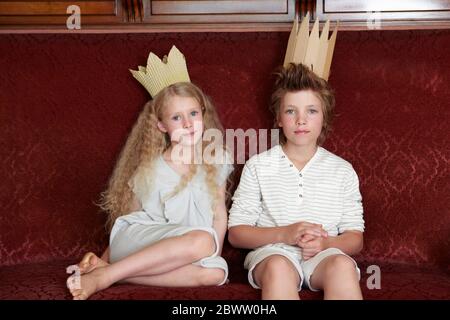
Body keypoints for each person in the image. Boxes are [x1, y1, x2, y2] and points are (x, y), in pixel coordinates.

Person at [66, 48, 233, 300]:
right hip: (140, 242)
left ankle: (111, 272)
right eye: (177, 117)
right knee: (203, 240)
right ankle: (105, 275)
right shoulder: (150, 168)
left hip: (188, 249)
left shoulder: (217, 160)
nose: (188, 123)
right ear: (162, 126)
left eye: (193, 114)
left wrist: (211, 256)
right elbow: (129, 220)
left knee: (216, 274)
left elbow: (219, 214)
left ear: (203, 114)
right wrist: (105, 255)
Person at [227, 63, 365, 300]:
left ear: (324, 117)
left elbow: (355, 238)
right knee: (278, 267)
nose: (301, 120)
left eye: (311, 111)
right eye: (291, 111)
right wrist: (285, 234)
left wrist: (326, 244)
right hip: (273, 253)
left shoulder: (342, 171)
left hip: (323, 254)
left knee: (342, 266)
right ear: (279, 118)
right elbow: (237, 234)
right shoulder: (258, 166)